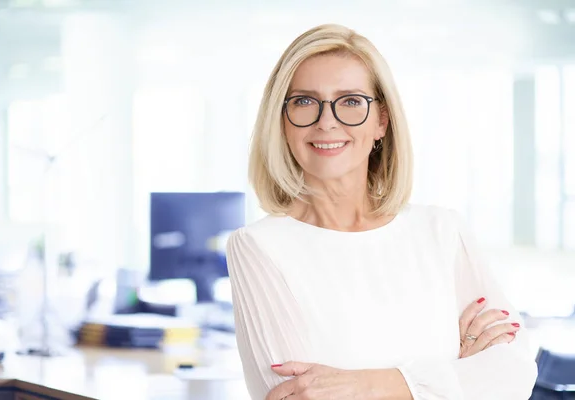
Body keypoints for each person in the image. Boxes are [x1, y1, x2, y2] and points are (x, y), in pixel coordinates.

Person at [226, 24, 538, 400]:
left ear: (382, 122)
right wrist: (457, 373)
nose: (327, 121)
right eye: (305, 101)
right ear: (282, 121)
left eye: (352, 101)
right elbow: (294, 395)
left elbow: (514, 373)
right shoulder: (258, 246)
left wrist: (376, 384)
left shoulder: (441, 230)